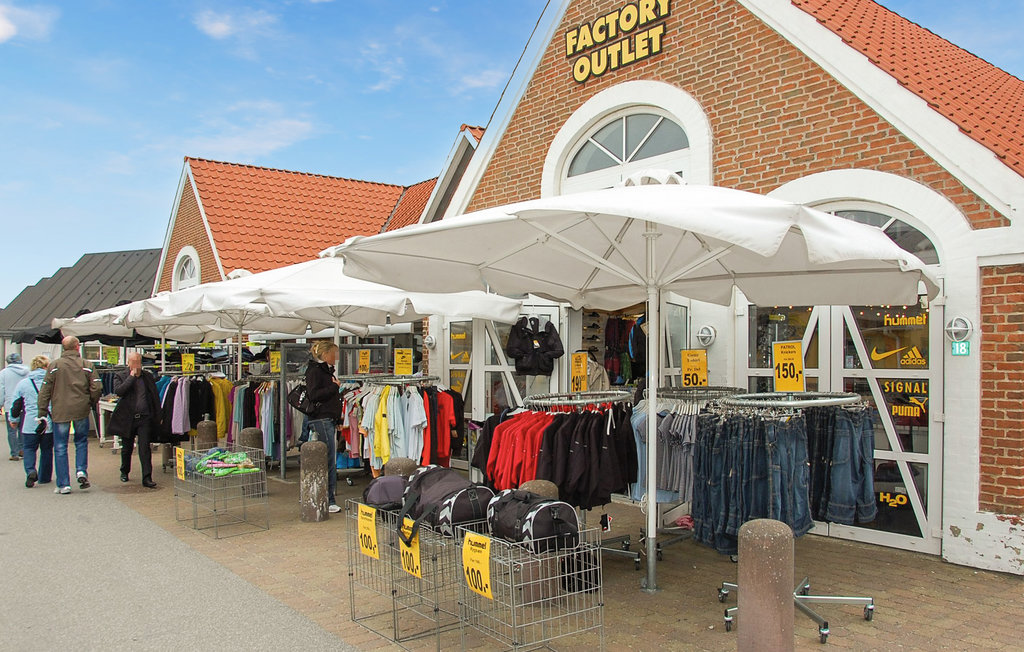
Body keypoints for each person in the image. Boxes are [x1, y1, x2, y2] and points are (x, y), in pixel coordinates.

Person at [36, 336, 102, 494]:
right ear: (77, 347)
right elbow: (97, 387)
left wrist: (42, 411)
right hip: (81, 408)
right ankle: (81, 470)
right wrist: (90, 401)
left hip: (60, 410)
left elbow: (45, 390)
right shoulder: (87, 365)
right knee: (81, 441)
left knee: (60, 447)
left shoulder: (54, 366)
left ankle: (64, 484)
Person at [109, 352, 160, 488]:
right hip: (127, 418)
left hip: (144, 418)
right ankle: (124, 471)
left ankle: (147, 477)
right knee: (127, 448)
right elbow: (119, 392)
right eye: (134, 362)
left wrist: (157, 415)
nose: (136, 365)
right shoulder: (120, 375)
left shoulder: (147, 376)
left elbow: (154, 396)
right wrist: (131, 377)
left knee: (144, 448)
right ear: (128, 363)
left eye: (138, 362)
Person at [305, 340, 343, 513]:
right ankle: (329, 499)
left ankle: (322, 495)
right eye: (333, 354)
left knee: (327, 458)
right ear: (326, 354)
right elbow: (314, 395)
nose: (336, 357)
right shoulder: (315, 371)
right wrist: (333, 388)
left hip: (327, 419)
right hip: (321, 419)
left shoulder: (325, 371)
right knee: (328, 459)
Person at [12, 355, 53, 487]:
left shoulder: (23, 383)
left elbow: (16, 403)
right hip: (48, 422)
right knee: (46, 449)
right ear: (46, 367)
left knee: (29, 448)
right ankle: (44, 477)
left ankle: (30, 470)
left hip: (30, 422)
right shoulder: (52, 383)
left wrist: (14, 419)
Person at [0, 352, 29, 460]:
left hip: (10, 404)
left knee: (12, 430)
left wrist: (0, 404)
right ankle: (23, 449)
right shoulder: (28, 371)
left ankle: (14, 453)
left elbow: (1, 390)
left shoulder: (4, 373)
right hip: (25, 404)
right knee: (23, 428)